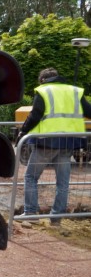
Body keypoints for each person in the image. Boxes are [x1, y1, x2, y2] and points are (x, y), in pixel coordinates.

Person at [16, 67, 91, 224]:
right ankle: (56, 219)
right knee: (62, 183)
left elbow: (35, 115)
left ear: (42, 80)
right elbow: (89, 111)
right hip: (67, 142)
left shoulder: (44, 91)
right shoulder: (75, 91)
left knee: (31, 177)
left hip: (46, 142)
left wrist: (23, 132)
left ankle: (31, 215)